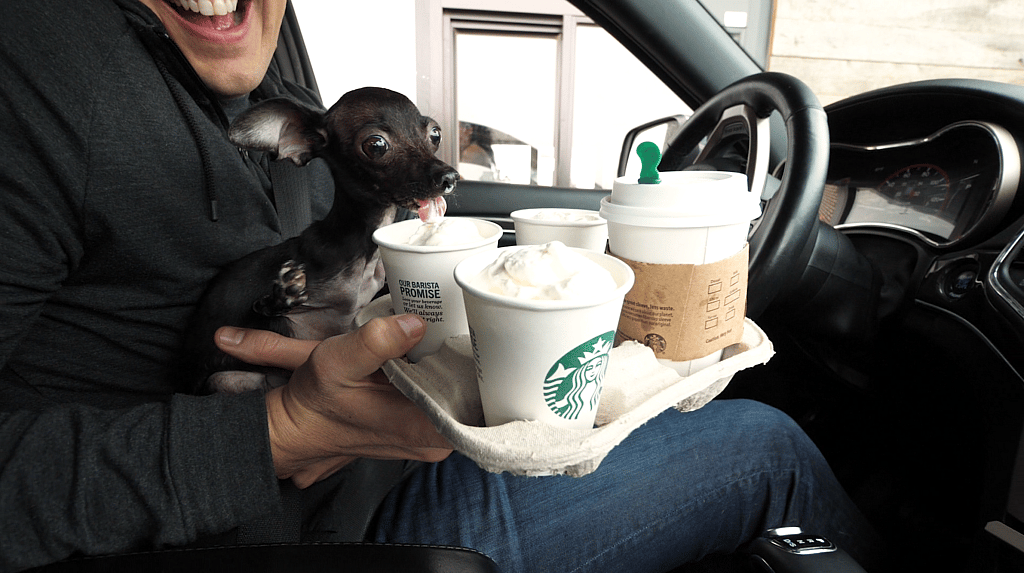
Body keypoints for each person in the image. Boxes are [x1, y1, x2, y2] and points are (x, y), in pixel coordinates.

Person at [0, 1, 883, 572]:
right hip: (289, 530)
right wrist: (273, 432)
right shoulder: (31, 63)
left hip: (369, 468)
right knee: (766, 445)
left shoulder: (255, 32)